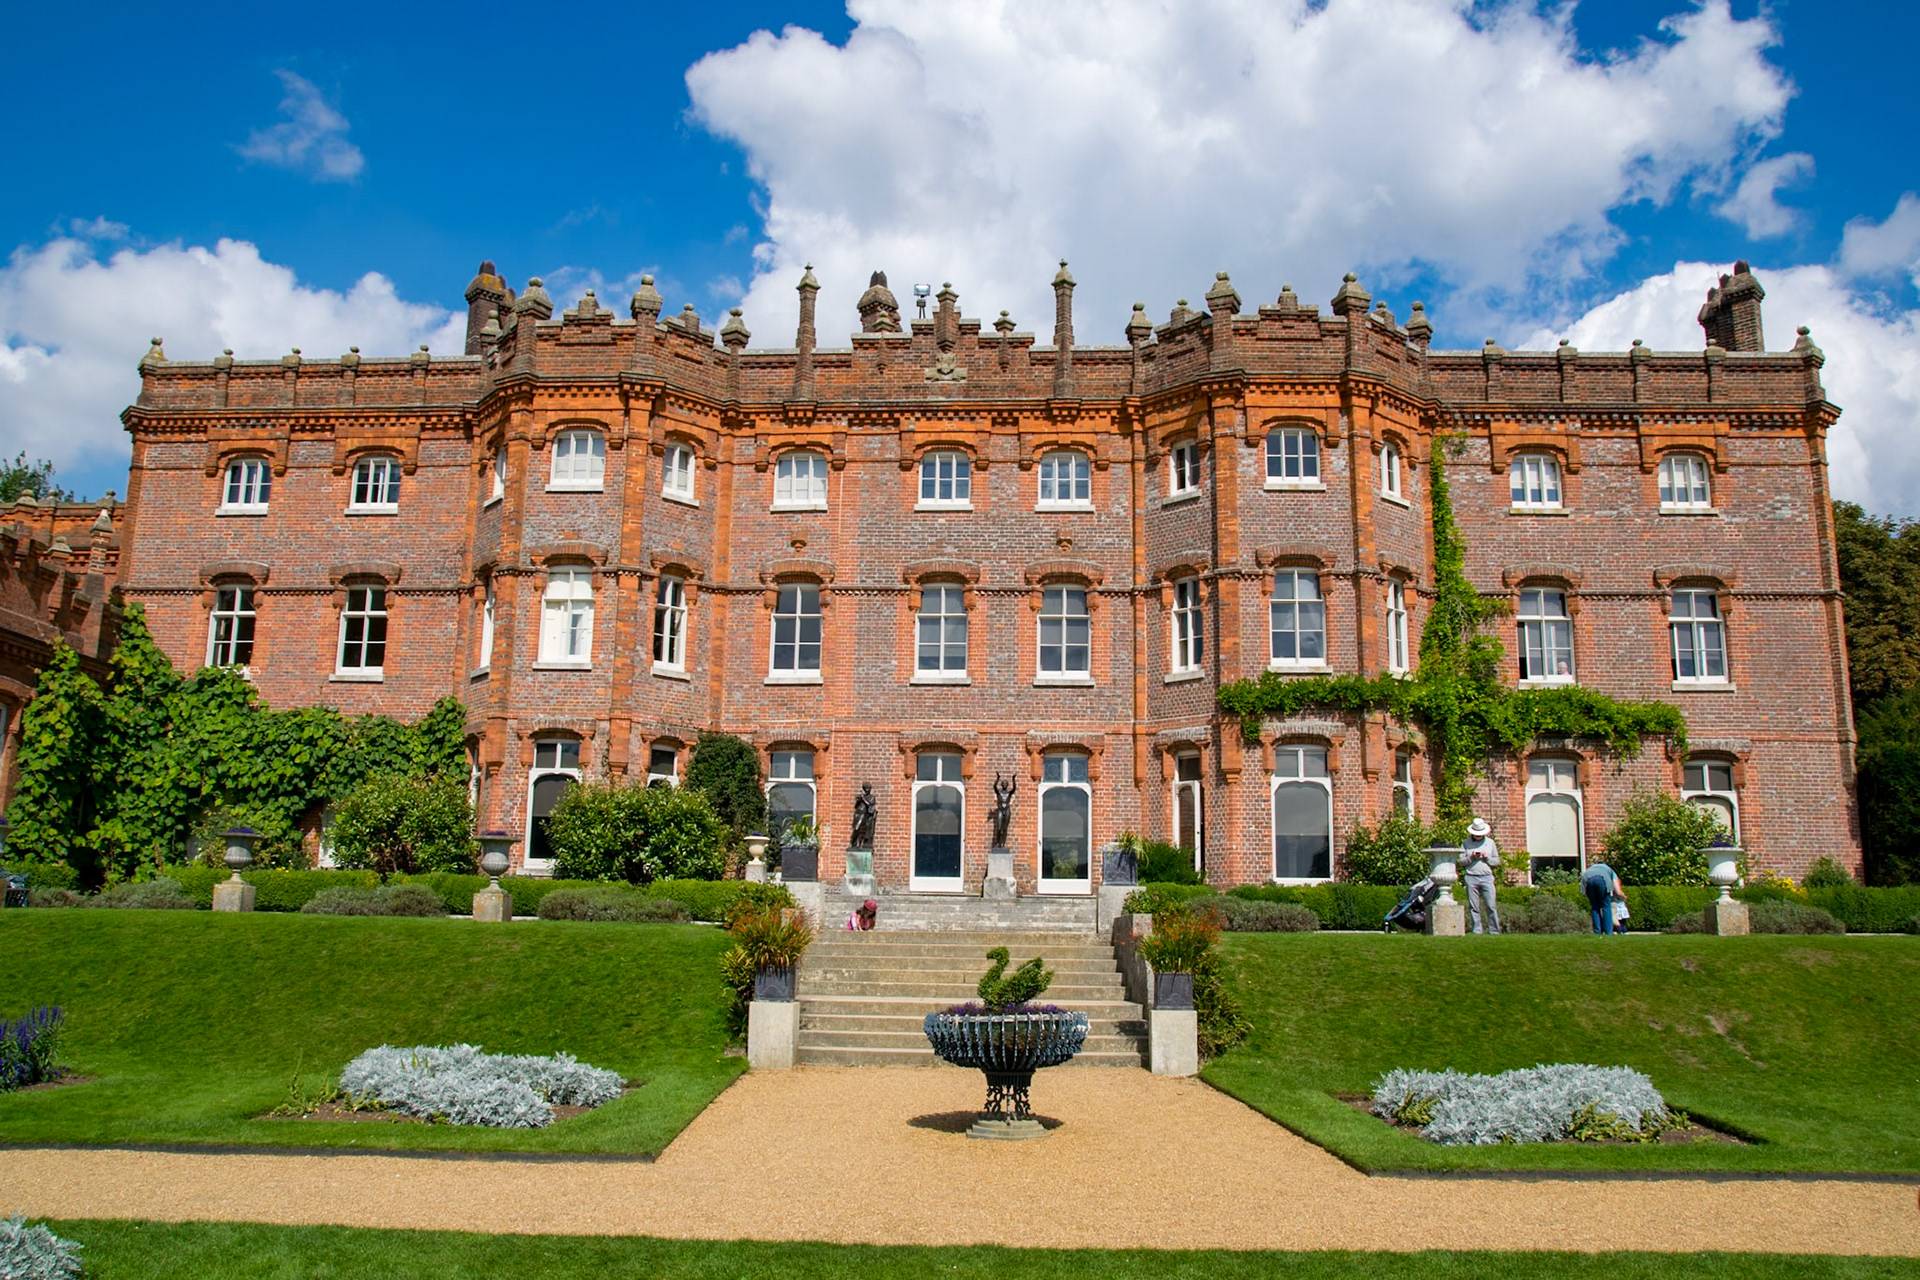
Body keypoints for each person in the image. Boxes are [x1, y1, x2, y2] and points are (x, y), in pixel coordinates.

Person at [1460, 817, 1501, 935]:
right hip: (1471, 876)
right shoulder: (1466, 843)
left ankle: (1494, 930)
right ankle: (1477, 930)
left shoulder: (1490, 843)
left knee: (1491, 905)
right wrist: (1471, 857)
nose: (1478, 836)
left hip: (1487, 877)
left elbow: (1496, 862)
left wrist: (1487, 857)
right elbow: (1461, 862)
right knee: (1474, 906)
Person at [1581, 862, 1623, 935]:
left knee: (1594, 907)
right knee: (1606, 906)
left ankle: (1597, 931)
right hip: (1602, 879)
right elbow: (1618, 891)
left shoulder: (1591, 868)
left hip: (1587, 879)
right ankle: (1608, 932)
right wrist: (1624, 897)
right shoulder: (1610, 870)